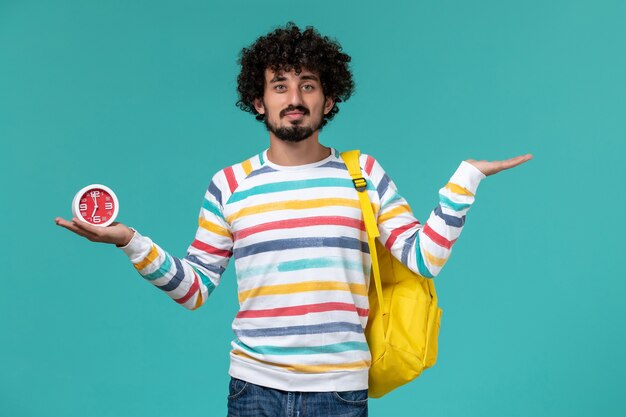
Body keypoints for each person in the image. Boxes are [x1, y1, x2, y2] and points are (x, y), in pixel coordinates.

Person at [55, 22, 532, 417]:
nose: (294, 97)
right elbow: (194, 289)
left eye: (308, 84)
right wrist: (129, 241)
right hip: (252, 390)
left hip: (340, 393)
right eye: (279, 85)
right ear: (259, 101)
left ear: (328, 99)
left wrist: (465, 181)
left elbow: (424, 259)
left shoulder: (362, 173)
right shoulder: (229, 184)